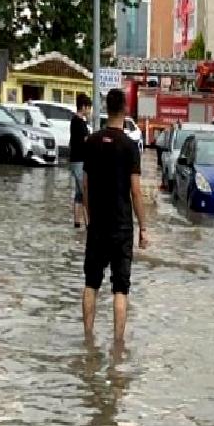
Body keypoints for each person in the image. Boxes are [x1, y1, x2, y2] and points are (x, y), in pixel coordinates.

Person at [82, 88, 149, 343]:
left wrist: (89, 218)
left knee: (91, 283)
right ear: (125, 110)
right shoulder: (131, 147)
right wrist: (143, 228)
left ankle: (88, 340)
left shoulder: (91, 142)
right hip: (122, 228)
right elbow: (136, 192)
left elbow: (85, 186)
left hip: (97, 225)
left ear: (106, 109)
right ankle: (118, 347)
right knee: (121, 288)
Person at [70, 93, 93, 227]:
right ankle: (88, 224)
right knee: (85, 192)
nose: (89, 111)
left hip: (76, 160)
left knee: (79, 193)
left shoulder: (75, 121)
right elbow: (86, 141)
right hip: (79, 161)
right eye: (88, 108)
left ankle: (77, 222)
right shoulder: (80, 123)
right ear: (83, 107)